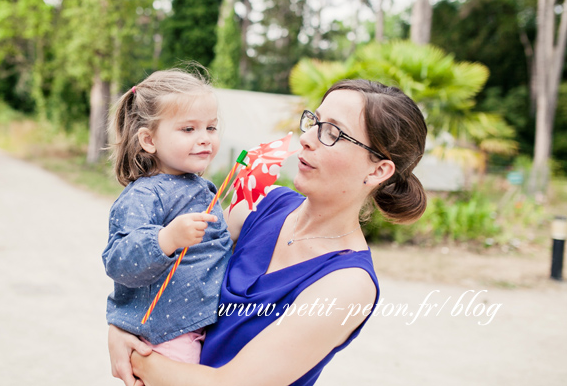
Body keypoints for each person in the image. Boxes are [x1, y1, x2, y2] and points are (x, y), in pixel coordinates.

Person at [108, 79, 428, 386]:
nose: (307, 138)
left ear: (378, 170)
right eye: (314, 121)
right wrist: (121, 324)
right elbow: (162, 268)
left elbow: (227, 385)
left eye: (333, 132)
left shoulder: (347, 285)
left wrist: (132, 353)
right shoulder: (259, 204)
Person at [102, 69, 233, 365]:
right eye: (189, 129)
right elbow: (119, 261)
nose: (204, 139)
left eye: (210, 128)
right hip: (166, 332)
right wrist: (166, 239)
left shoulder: (200, 186)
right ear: (149, 140)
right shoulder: (144, 194)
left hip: (202, 321)